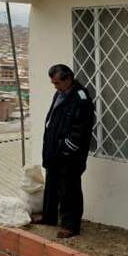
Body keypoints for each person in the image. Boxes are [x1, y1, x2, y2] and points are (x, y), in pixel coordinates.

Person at [36, 63, 94, 238]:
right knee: (52, 185)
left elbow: (81, 129)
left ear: (68, 79)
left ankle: (70, 225)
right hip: (55, 150)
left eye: (57, 83)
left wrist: (66, 148)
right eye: (53, 83)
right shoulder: (60, 93)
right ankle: (49, 217)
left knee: (69, 189)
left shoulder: (80, 98)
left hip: (70, 155)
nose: (55, 86)